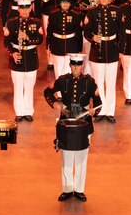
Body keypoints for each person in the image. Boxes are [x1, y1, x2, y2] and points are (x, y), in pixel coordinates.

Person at [44, 54, 102, 202]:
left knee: (82, 158)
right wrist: (55, 104)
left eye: (78, 65)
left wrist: (94, 110)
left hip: (84, 123)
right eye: (73, 65)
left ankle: (80, 189)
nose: (76, 67)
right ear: (70, 65)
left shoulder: (90, 82)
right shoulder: (63, 81)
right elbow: (47, 92)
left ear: (82, 66)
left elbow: (98, 101)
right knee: (67, 158)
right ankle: (68, 189)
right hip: (66, 123)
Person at [84, 0, 122, 122]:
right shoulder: (92, 12)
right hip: (96, 50)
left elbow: (121, 32)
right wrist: (92, 37)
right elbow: (86, 31)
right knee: (98, 83)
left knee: (111, 83)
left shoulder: (116, 11)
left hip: (112, 49)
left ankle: (110, 111)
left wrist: (120, 50)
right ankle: (100, 110)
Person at [4, 0, 43, 122]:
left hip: (31, 56)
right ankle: (19, 112)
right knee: (18, 85)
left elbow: (40, 40)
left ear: (31, 8)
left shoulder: (37, 22)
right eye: (22, 8)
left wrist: (28, 37)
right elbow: (7, 42)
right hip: (17, 57)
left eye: (27, 8)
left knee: (30, 85)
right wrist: (13, 53)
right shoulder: (12, 22)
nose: (25, 11)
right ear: (19, 9)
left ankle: (28, 111)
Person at [45, 0, 83, 77]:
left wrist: (79, 48)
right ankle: (59, 90)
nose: (65, 4)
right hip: (57, 45)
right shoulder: (53, 15)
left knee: (70, 71)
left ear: (70, 3)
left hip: (71, 45)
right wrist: (48, 46)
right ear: (60, 3)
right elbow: (49, 31)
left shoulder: (76, 15)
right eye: (63, 2)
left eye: (67, 2)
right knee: (58, 71)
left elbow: (78, 33)